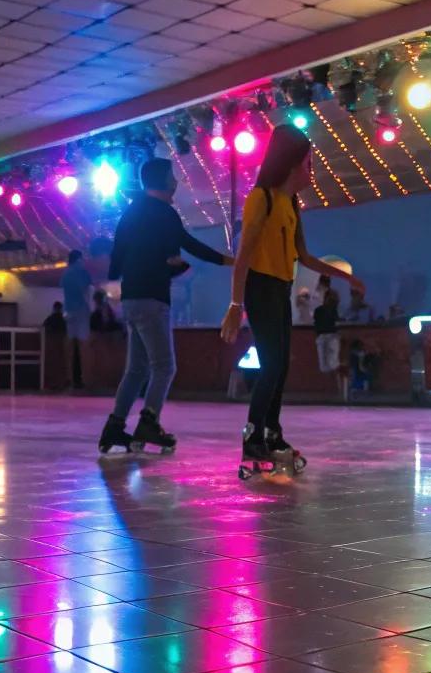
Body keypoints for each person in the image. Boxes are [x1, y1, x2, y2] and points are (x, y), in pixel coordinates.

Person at [221, 125, 364, 470]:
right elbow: (243, 258)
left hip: (280, 288)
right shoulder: (263, 198)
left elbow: (306, 256)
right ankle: (253, 437)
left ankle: (271, 432)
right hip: (260, 287)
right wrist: (234, 306)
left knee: (280, 365)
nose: (310, 171)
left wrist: (346, 276)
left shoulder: (290, 203)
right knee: (272, 364)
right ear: (290, 165)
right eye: (308, 164)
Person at [98, 158, 232, 454]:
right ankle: (149, 421)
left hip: (131, 298)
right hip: (152, 298)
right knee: (164, 366)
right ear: (163, 181)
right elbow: (189, 244)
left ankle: (114, 427)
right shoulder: (165, 213)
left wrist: (162, 266)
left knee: (136, 369)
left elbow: (119, 254)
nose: (177, 181)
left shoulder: (130, 213)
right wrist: (225, 260)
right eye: (173, 176)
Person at [62, 249, 92, 388]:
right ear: (79, 260)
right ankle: (85, 378)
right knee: (83, 345)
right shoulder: (82, 272)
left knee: (70, 346)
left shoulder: (66, 273)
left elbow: (64, 292)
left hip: (68, 311)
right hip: (81, 310)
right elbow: (86, 291)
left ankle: (69, 378)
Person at [314, 278, 345, 399]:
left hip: (328, 336)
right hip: (327, 336)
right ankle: (334, 389)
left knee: (330, 364)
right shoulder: (328, 310)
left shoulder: (323, 310)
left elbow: (317, 324)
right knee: (327, 364)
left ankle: (334, 389)